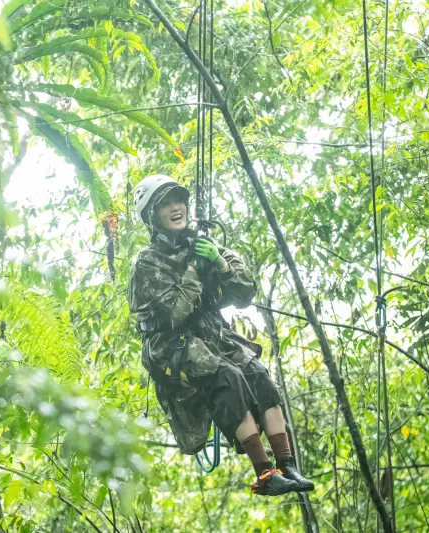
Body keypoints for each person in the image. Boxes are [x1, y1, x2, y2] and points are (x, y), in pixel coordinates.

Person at [128, 174, 314, 496]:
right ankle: (265, 473)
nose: (177, 208)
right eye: (166, 205)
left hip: (211, 333)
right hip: (170, 344)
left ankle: (286, 464)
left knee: (259, 375)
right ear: (151, 217)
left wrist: (218, 263)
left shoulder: (204, 245)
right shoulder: (146, 263)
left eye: (179, 201)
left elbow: (245, 294)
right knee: (226, 377)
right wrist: (193, 271)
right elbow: (174, 313)